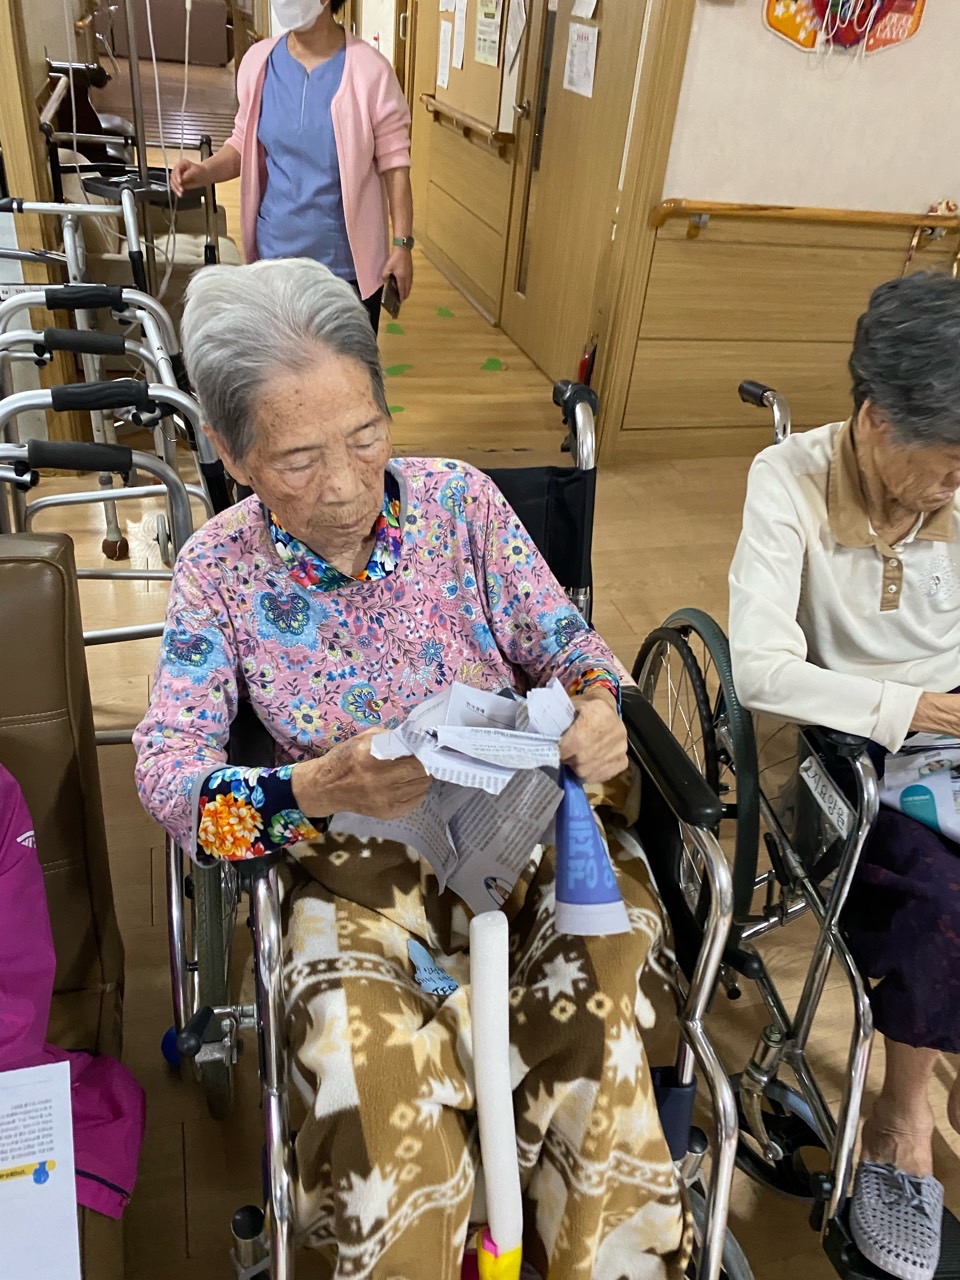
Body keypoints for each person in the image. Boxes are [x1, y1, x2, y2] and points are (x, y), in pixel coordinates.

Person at [133, 258, 688, 1279]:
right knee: (373, 1102)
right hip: (351, 871)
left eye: (365, 435)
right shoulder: (217, 571)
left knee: (604, 1024)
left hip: (526, 834)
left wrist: (602, 706)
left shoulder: (460, 504)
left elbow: (572, 646)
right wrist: (314, 786)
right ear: (230, 451)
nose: (345, 486)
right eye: (298, 459)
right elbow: (170, 778)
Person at [729, 271, 960, 1280]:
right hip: (851, 738)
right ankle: (902, 1123)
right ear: (874, 421)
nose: (957, 484)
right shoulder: (788, 479)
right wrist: (915, 709)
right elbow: (758, 668)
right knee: (942, 902)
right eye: (949, 463)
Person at [170, 0, 413, 333]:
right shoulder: (258, 62)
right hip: (274, 261)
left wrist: (402, 245)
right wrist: (204, 172)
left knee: (346, 365)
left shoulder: (371, 71)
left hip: (344, 271)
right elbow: (243, 142)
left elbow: (395, 164)